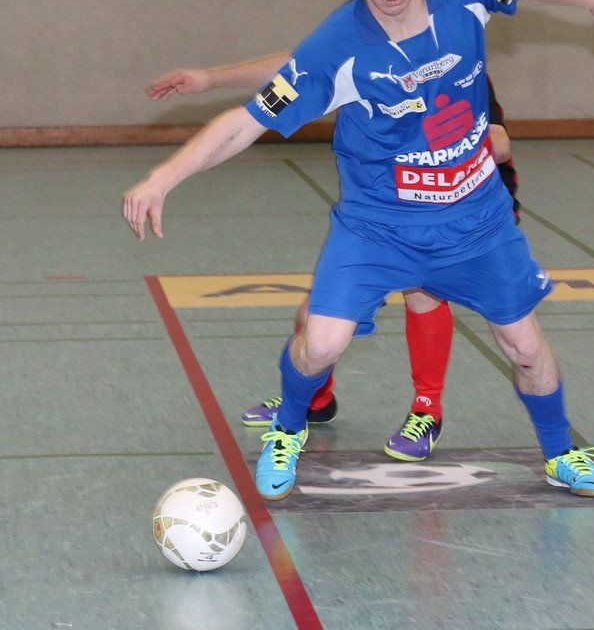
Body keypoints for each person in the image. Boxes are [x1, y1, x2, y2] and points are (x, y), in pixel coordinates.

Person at [124, 0, 594, 502]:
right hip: (378, 225)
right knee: (320, 343)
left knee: (525, 347)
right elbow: (247, 121)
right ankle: (288, 429)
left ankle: (560, 452)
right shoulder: (336, 48)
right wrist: (163, 177)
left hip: (475, 219)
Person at [145, 28, 520, 464]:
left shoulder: (456, 60)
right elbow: (296, 66)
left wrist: (434, 142)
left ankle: (427, 411)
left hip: (459, 204)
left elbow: (501, 143)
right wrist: (210, 79)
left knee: (423, 293)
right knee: (313, 315)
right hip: (388, 206)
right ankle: (317, 398)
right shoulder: (361, 50)